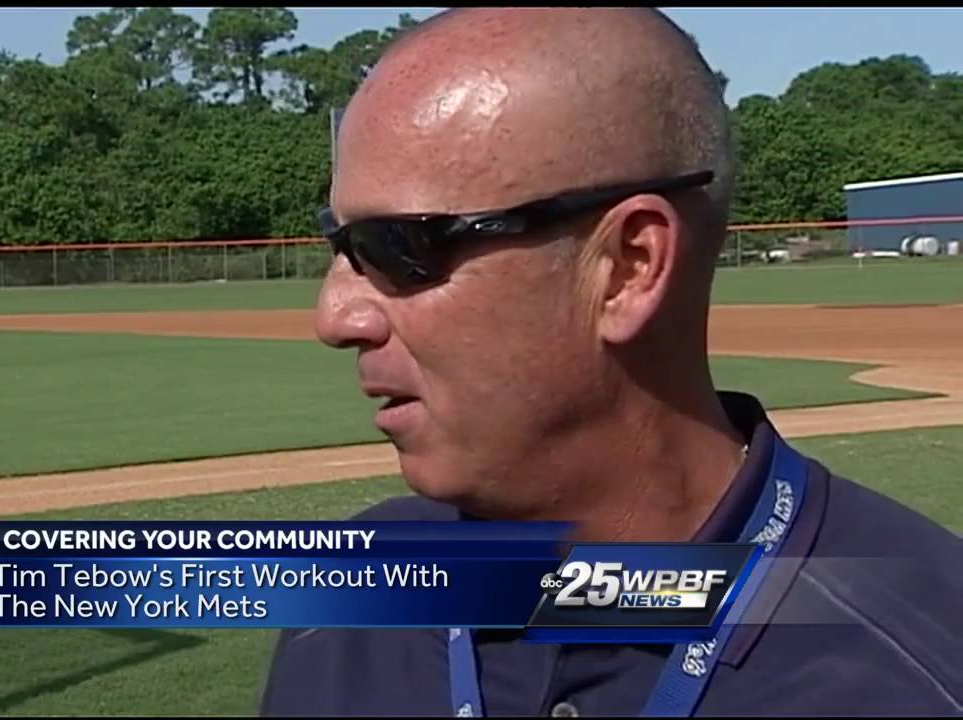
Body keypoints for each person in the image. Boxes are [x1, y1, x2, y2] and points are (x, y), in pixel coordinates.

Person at [260, 7, 961, 717]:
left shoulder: (926, 663)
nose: (334, 317)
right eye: (339, 245)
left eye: (399, 247)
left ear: (627, 267)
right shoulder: (346, 598)